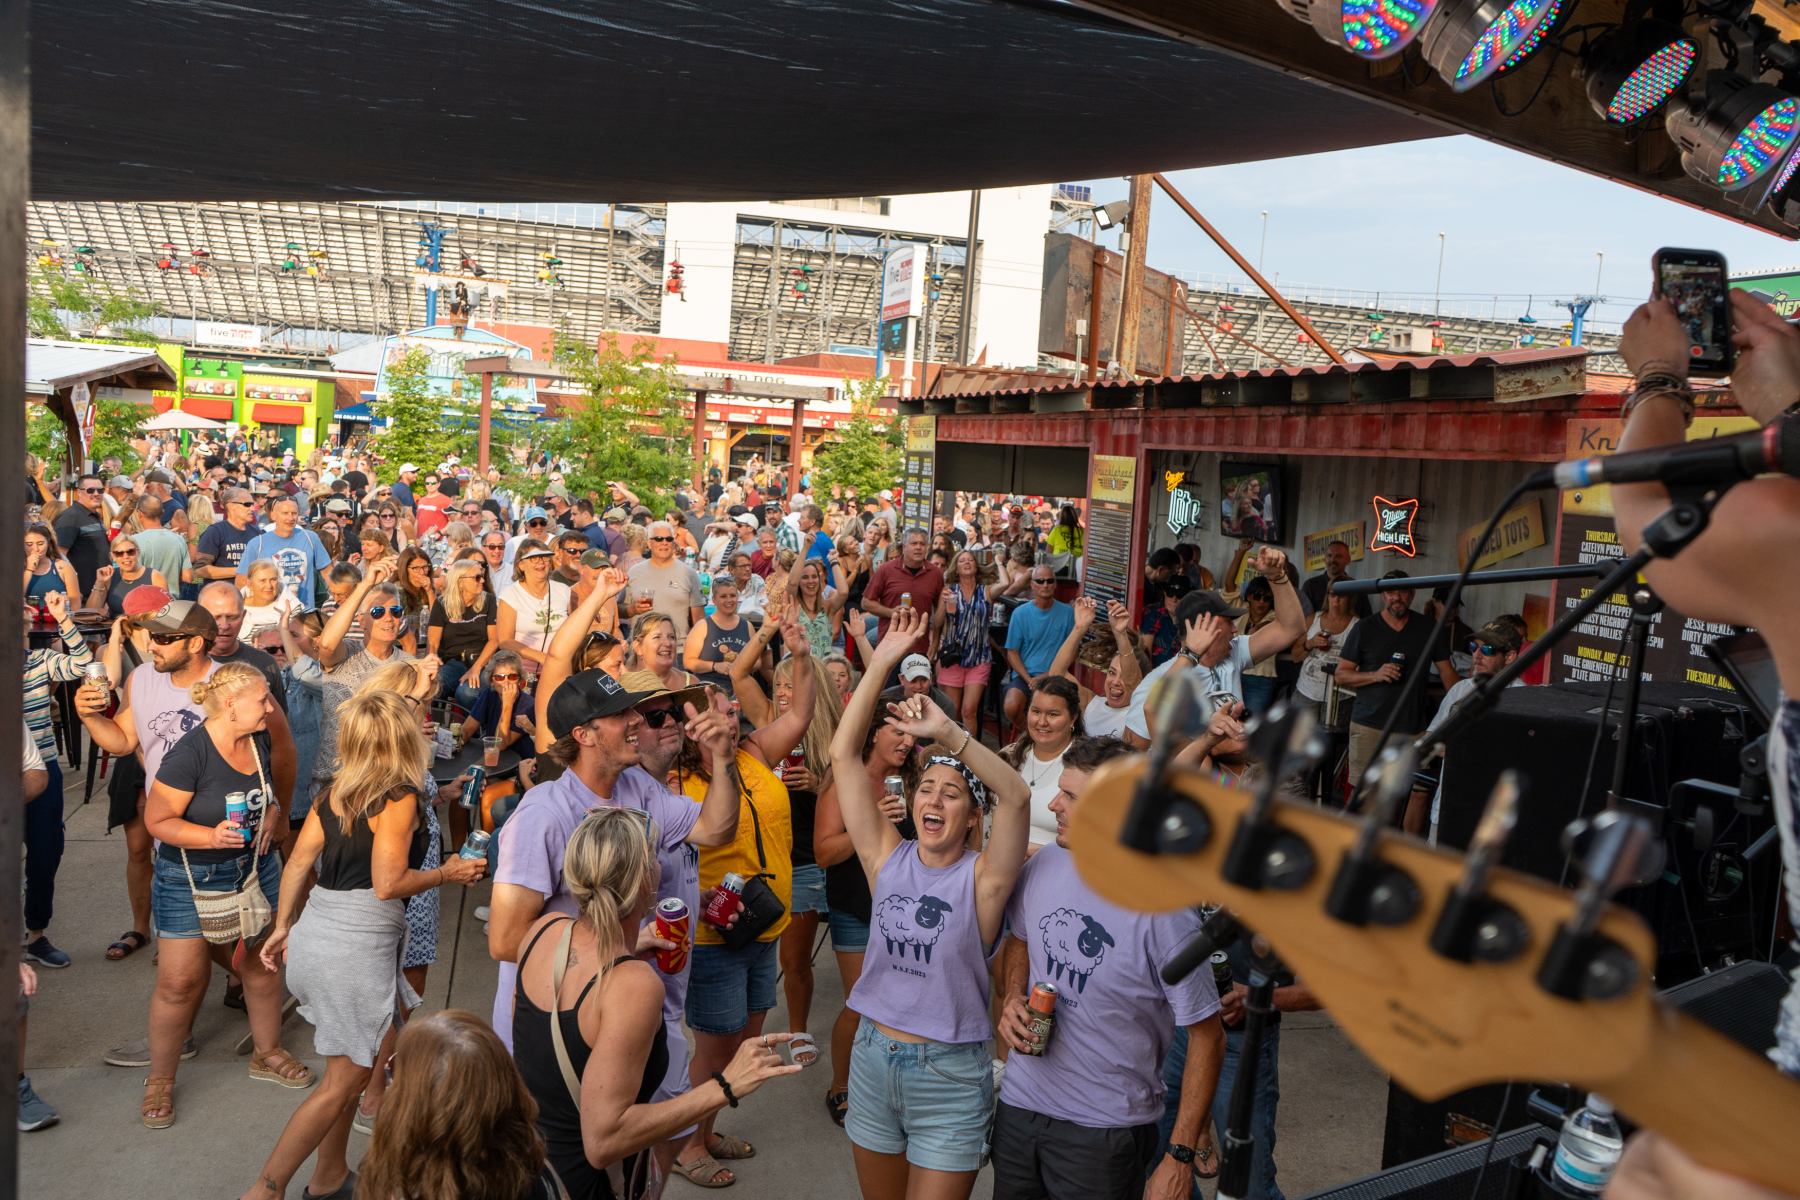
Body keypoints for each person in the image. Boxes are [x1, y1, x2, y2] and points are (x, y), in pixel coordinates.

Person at [244, 691, 484, 1200]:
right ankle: (265, 1190)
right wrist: (449, 872)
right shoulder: (397, 797)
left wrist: (284, 925)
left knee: (348, 1075)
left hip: (317, 935)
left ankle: (329, 1177)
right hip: (352, 950)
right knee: (342, 1082)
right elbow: (387, 883)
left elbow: (298, 862)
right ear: (402, 737)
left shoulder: (334, 792)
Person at [830, 608, 1031, 1200]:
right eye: (927, 790)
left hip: (949, 1076)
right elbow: (842, 757)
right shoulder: (885, 858)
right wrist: (879, 663)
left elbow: (1017, 796)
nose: (934, 801)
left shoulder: (982, 882)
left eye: (952, 794)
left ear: (971, 819)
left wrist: (949, 735)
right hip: (872, 1060)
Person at [513, 805, 800, 1200]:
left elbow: (537, 1052)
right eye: (654, 856)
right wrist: (726, 1085)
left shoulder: (542, 932)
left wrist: (631, 947)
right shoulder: (634, 985)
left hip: (529, 1166)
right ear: (645, 879)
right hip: (589, 1186)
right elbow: (603, 1141)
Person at [994, 735, 1225, 1200]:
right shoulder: (1046, 863)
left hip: (1104, 1132)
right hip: (1019, 1109)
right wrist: (1014, 994)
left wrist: (1179, 1156)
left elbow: (1209, 1037)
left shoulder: (1165, 910)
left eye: (1071, 797)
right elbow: (1020, 938)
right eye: (1059, 790)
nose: (1054, 805)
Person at [671, 619, 817, 1187]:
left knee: (743, 1040)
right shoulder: (676, 782)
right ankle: (685, 1145)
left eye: (732, 712)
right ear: (691, 728)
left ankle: (705, 1131)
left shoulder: (753, 751)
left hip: (766, 924)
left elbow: (799, 715)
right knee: (716, 1048)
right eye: (717, 716)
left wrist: (800, 657)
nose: (732, 722)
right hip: (715, 936)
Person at [138, 661, 312, 1130]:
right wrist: (210, 837)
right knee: (180, 983)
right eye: (263, 699)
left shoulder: (256, 739)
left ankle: (267, 1053)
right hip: (188, 877)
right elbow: (157, 820)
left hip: (254, 869)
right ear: (231, 705)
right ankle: (160, 1080)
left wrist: (274, 810)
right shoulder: (189, 755)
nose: (270, 707)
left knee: (262, 963)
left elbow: (267, 791)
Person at [730, 644, 845, 1084]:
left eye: (790, 684)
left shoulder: (834, 736)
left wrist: (819, 785)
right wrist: (769, 628)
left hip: (819, 860)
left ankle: (815, 1029)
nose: (781, 692)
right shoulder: (767, 726)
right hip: (776, 862)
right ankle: (776, 1029)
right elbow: (740, 674)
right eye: (777, 684)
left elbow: (853, 800)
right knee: (777, 955)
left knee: (820, 956)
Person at [353, 1009, 572, 1200]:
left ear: (426, 1117)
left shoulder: (411, 1187)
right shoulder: (534, 1166)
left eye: (395, 1069)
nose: (391, 1075)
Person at [1125, 549, 1306, 750]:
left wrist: (1276, 576)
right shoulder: (1156, 686)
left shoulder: (1233, 653)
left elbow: (1291, 629)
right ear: (1205, 628)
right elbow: (1129, 755)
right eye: (1228, 622)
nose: (1235, 629)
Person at [1333, 569, 1459, 793]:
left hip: (1412, 727)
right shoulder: (1364, 628)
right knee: (1366, 793)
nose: (1397, 597)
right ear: (1382, 595)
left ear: (1412, 594)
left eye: (1403, 591)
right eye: (1391, 592)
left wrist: (1464, 708)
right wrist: (1376, 675)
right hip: (1369, 726)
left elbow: (1447, 673)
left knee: (1419, 792)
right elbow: (1341, 674)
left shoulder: (1429, 628)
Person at [20, 590, 94, 968]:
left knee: (46, 850)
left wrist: (63, 618)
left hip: (42, 768)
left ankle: (35, 934)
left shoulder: (40, 661)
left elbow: (82, 665)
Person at [1404, 620, 1525, 837]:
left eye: (1487, 650)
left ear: (1509, 656)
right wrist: (1474, 752)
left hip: (1491, 820)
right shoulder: (1460, 689)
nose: (1476, 655)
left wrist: (1461, 748)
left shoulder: (1525, 699)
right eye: (1474, 647)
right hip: (1448, 808)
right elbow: (1431, 739)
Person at [999, 675, 1085, 850]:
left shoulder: (1086, 765)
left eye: (1052, 714)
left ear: (1073, 718)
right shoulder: (1009, 755)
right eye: (1036, 711)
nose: (1042, 722)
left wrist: (1029, 853)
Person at [1044, 596, 1144, 741]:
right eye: (1112, 672)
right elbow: (1056, 674)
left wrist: (1120, 634)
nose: (1116, 682)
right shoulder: (1091, 704)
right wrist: (1079, 628)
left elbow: (1133, 682)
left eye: (1124, 676)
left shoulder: (1142, 712)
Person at [933, 548, 1008, 733]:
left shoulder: (985, 591)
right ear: (956, 569)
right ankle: (953, 749)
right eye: (962, 560)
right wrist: (943, 603)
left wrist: (999, 561)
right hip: (953, 657)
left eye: (970, 560)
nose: (966, 562)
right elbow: (937, 623)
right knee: (954, 711)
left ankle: (970, 752)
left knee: (969, 711)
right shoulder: (949, 590)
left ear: (976, 567)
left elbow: (1006, 583)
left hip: (979, 658)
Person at [1003, 564, 1076, 733]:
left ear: (1055, 584)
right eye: (1040, 581)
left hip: (1057, 676)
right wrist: (1029, 680)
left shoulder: (1067, 613)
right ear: (1032, 585)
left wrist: (1046, 676)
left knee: (1060, 711)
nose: (1045, 585)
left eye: (1050, 581)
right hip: (1025, 677)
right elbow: (1012, 654)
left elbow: (1073, 653)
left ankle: (1037, 739)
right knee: (1011, 706)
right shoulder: (1019, 613)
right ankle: (1030, 736)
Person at [860, 527, 945, 660]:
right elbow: (866, 603)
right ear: (904, 547)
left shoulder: (936, 573)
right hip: (888, 645)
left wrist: (935, 642)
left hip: (919, 646)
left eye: (922, 544)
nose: (918, 547)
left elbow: (939, 610)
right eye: (914, 543)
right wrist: (890, 612)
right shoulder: (886, 569)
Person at [429, 557, 500, 705]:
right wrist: (431, 664)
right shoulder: (441, 604)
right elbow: (433, 643)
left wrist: (476, 668)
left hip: (483, 662)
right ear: (460, 582)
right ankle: (432, 720)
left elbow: (494, 640)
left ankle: (472, 722)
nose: (482, 580)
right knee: (428, 689)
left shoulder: (489, 600)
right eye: (477, 577)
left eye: (482, 575)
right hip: (453, 663)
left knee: (467, 693)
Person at [241, 494, 332, 610]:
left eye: (294, 513)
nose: (291, 518)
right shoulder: (257, 543)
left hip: (304, 613)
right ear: (273, 515)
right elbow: (242, 581)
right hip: (270, 613)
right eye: (285, 513)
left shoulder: (311, 538)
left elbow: (328, 573)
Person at [624, 520, 706, 642]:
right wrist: (633, 609)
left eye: (669, 539)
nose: (664, 543)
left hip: (677, 647)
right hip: (641, 647)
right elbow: (620, 609)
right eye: (658, 539)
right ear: (649, 543)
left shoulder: (688, 573)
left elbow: (699, 620)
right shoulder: (634, 572)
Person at [683, 573, 751, 695]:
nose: (729, 600)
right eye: (723, 596)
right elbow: (688, 662)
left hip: (741, 691)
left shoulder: (747, 625)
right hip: (710, 691)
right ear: (714, 600)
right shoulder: (702, 626)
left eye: (733, 595)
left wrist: (742, 664)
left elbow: (758, 662)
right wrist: (715, 666)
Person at [460, 651, 536, 755]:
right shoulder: (489, 694)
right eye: (499, 677)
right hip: (492, 758)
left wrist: (507, 704)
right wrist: (455, 740)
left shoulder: (529, 705)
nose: (506, 682)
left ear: (520, 680)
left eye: (512, 677)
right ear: (491, 681)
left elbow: (500, 746)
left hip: (518, 761)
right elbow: (467, 730)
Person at [53, 473, 110, 597]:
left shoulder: (93, 515)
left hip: (98, 591)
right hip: (82, 593)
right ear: (79, 492)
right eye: (90, 490)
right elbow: (59, 555)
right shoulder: (71, 516)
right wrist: (71, 589)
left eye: (100, 490)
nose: (96, 494)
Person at [87, 534, 170, 618]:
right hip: (115, 625)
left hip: (145, 625)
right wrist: (99, 583)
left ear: (138, 552)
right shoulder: (109, 577)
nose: (126, 557)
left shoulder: (155, 577)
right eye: (119, 553)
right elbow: (90, 613)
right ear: (113, 556)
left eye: (131, 552)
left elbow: (164, 613)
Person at [1235, 577, 1282, 717]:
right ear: (1249, 597)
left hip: (1260, 679)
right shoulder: (1241, 610)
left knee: (1251, 724)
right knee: (1228, 721)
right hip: (1234, 673)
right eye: (1257, 597)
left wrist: (1257, 628)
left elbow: (1271, 623)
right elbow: (1229, 585)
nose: (1262, 602)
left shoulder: (1276, 616)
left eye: (1267, 598)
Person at [129, 496, 191, 591]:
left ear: (140, 514)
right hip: (170, 598)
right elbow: (188, 577)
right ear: (162, 512)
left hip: (144, 596)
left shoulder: (134, 540)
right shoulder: (179, 539)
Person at [785, 554, 844, 652]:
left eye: (814, 576)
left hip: (824, 656)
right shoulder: (793, 603)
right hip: (799, 656)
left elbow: (843, 593)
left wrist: (833, 561)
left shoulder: (827, 605)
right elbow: (792, 583)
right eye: (805, 577)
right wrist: (805, 548)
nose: (810, 581)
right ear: (799, 580)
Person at [238, 558, 303, 646]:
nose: (269, 586)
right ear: (249, 584)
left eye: (273, 579)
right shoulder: (235, 610)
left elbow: (299, 643)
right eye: (262, 580)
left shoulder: (291, 607)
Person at [23, 522, 80, 607]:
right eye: (29, 544)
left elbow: (75, 604)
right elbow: (12, 598)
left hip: (55, 614)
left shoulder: (63, 567)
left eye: (40, 544)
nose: (36, 549)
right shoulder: (13, 567)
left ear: (48, 543)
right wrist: (29, 569)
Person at [1300, 540, 1355, 614]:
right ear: (1325, 558)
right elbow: (1301, 616)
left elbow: (1365, 618)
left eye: (1338, 556)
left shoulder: (1356, 587)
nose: (1333, 559)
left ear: (1348, 560)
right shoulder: (1310, 586)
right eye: (1329, 556)